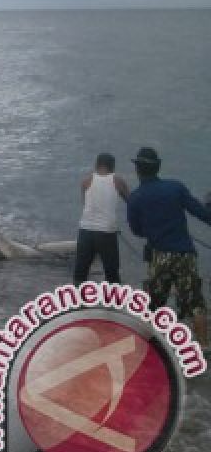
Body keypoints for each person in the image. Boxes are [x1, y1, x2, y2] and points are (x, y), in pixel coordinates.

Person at [127, 147, 211, 348]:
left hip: (159, 256)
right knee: (195, 303)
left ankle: (148, 346)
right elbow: (203, 215)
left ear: (138, 170)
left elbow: (137, 230)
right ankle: (205, 347)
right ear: (158, 168)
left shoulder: (135, 198)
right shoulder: (176, 188)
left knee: (153, 304)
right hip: (184, 255)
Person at [74, 152, 130, 285]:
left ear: (97, 165)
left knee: (80, 273)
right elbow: (131, 202)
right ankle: (113, 303)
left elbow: (86, 204)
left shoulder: (86, 181)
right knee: (112, 274)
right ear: (113, 166)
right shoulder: (117, 180)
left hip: (85, 230)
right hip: (106, 232)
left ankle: (77, 303)